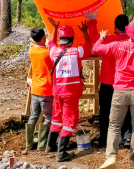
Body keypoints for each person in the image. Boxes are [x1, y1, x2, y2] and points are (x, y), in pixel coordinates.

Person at [93, 20, 134, 169]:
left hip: (119, 92)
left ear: (129, 32)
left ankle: (111, 157)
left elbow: (97, 48)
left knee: (114, 125)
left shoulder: (118, 46)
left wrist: (102, 37)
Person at [45, 17, 92, 162]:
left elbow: (51, 42)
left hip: (57, 92)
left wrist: (54, 28)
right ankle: (61, 153)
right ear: (71, 39)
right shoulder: (77, 52)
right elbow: (89, 46)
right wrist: (85, 31)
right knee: (70, 121)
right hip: (70, 93)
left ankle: (50, 145)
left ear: (61, 39)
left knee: (57, 118)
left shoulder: (54, 52)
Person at [84, 11, 132, 148]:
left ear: (115, 27)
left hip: (107, 82)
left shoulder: (109, 40)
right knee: (127, 110)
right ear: (127, 27)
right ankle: (127, 137)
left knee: (105, 111)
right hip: (125, 83)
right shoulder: (132, 41)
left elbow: (94, 40)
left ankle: (104, 138)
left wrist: (93, 20)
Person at [26, 28, 54, 151]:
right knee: (48, 116)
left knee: (33, 115)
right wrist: (55, 29)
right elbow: (53, 45)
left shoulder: (32, 51)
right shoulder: (48, 52)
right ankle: (42, 144)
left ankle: (29, 143)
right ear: (44, 38)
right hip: (46, 90)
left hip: (35, 89)